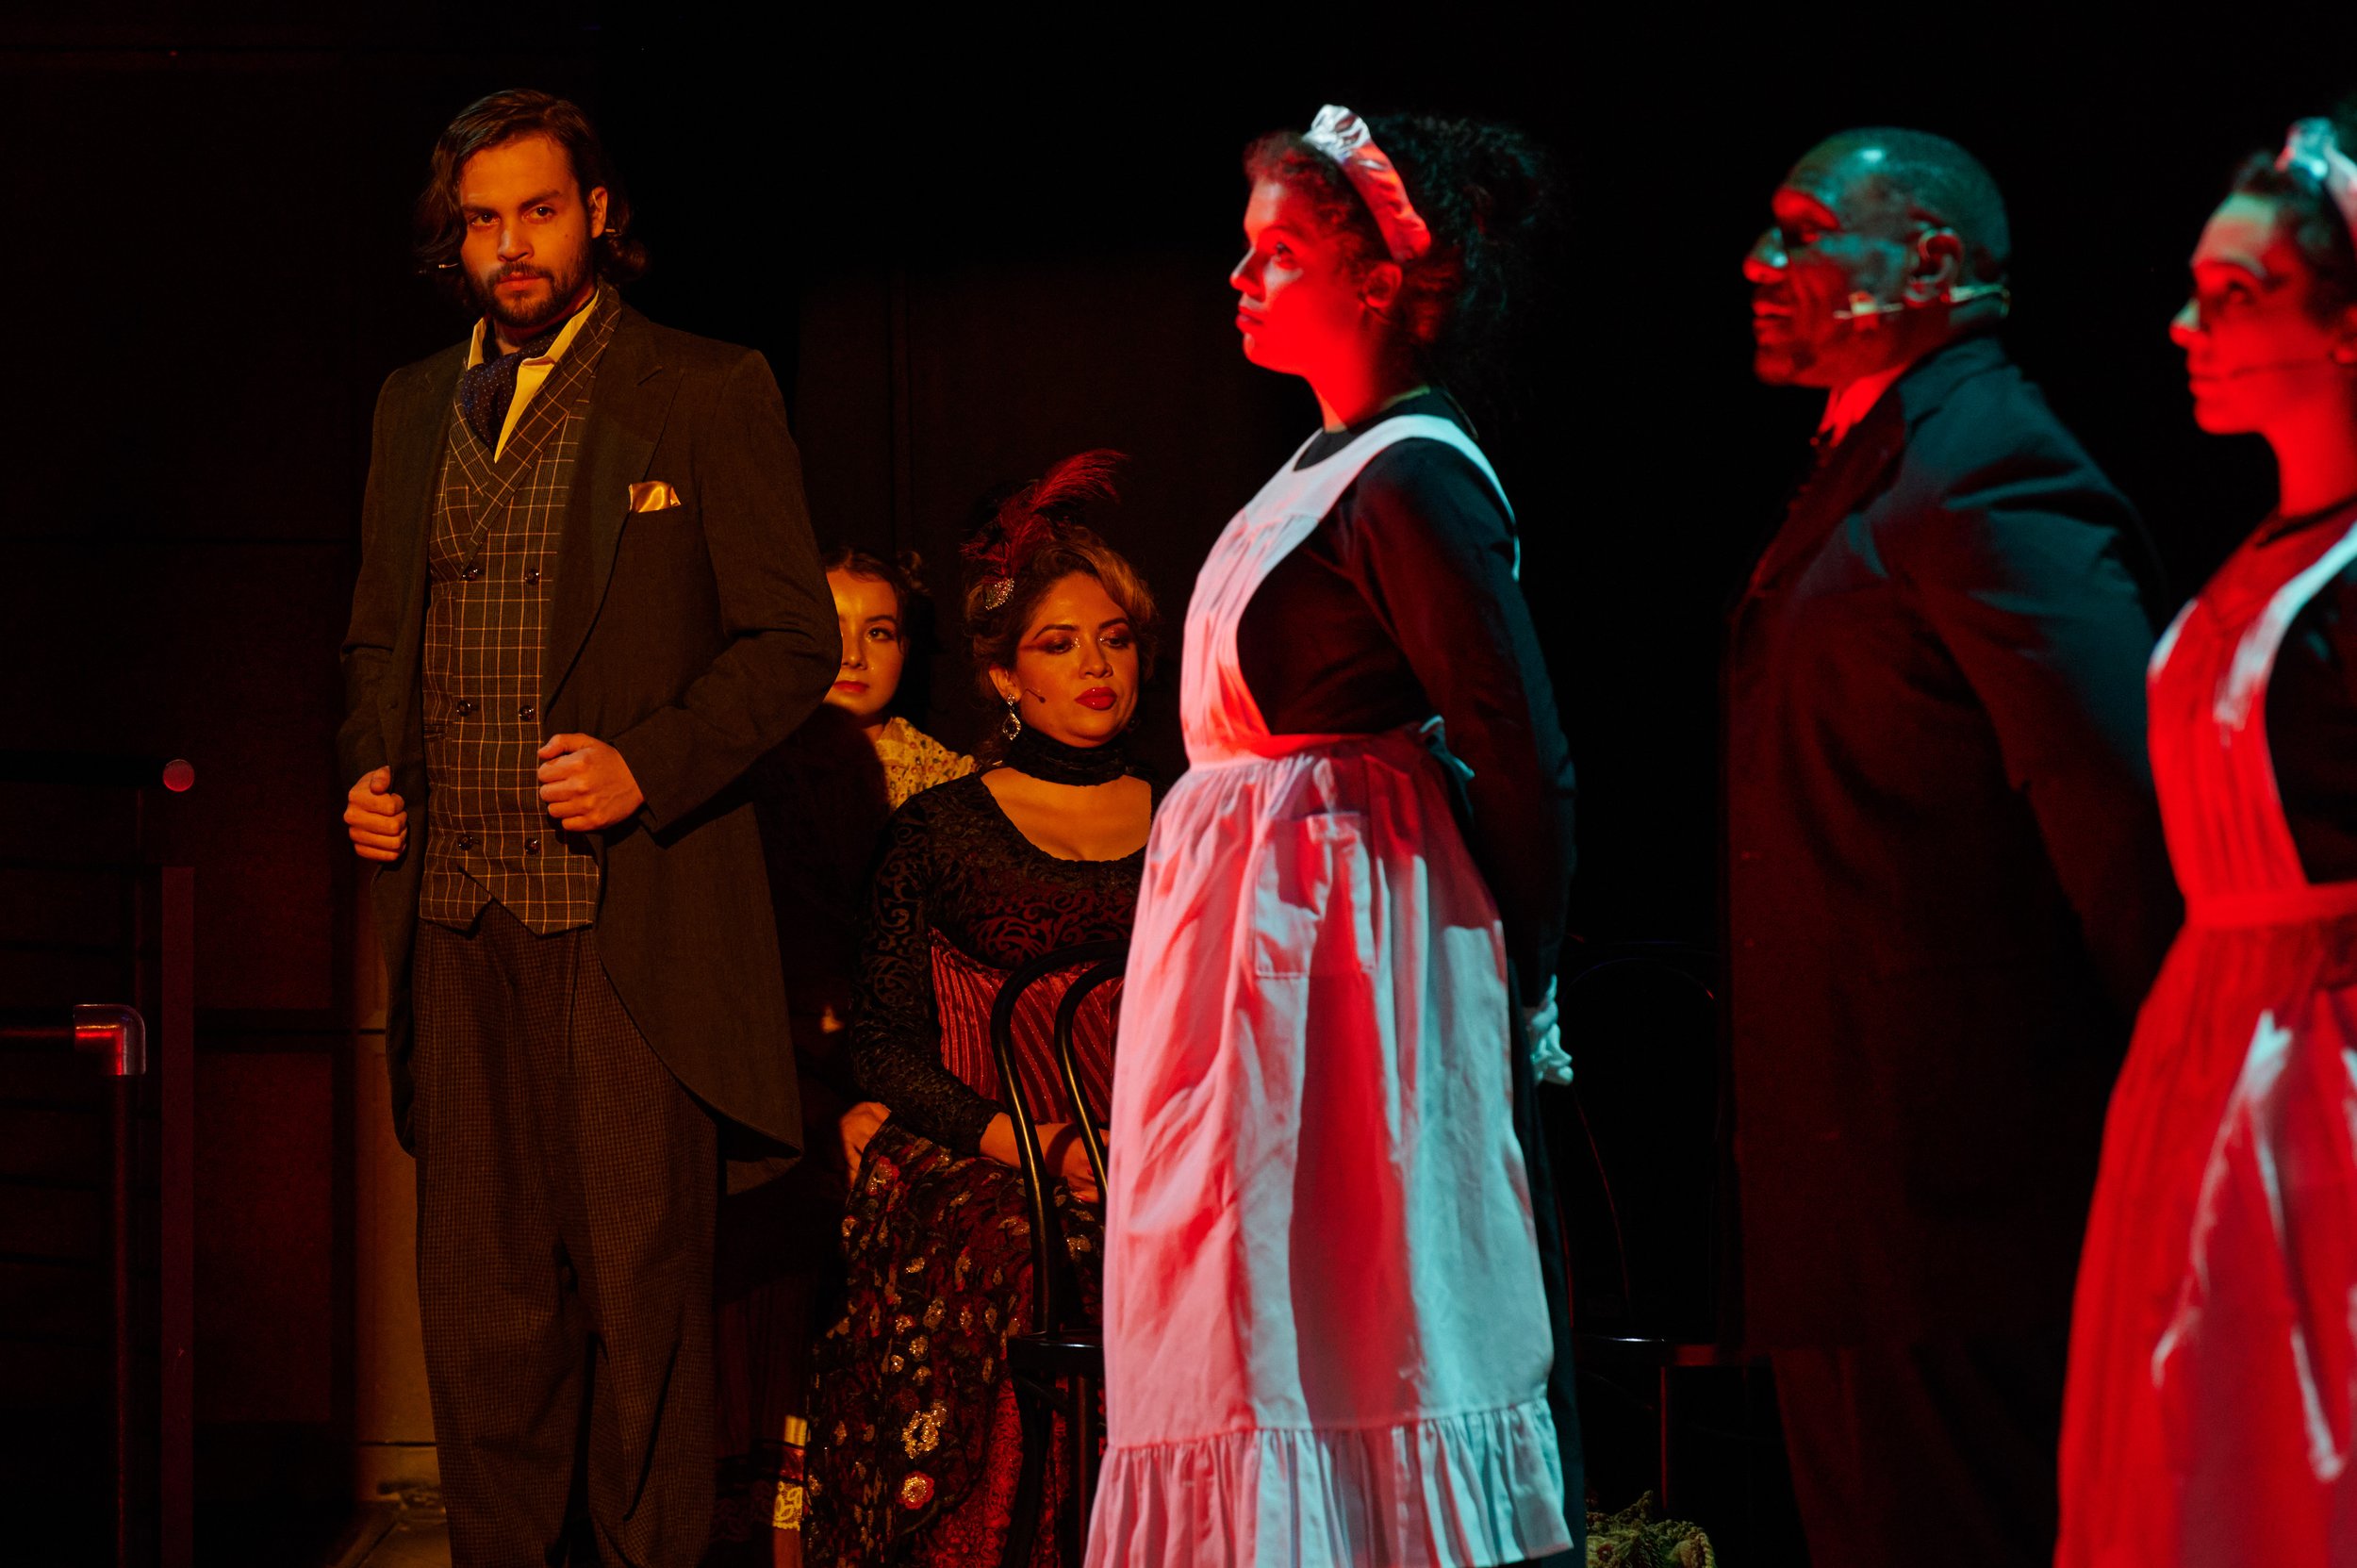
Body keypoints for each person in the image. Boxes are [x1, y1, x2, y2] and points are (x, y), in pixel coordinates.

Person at [336, 90, 834, 1565]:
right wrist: (370, 769)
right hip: (456, 917)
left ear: (598, 212)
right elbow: (375, 643)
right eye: (482, 219)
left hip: (630, 926)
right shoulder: (413, 402)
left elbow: (791, 640)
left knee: (641, 1303)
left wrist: (647, 764)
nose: (511, 244)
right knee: (486, 1320)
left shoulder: (702, 384)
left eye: (537, 210)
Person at [1088, 107, 1582, 1567]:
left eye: (1279, 251)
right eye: (1246, 250)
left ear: (1376, 280)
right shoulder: (1325, 460)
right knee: (1240, 1307)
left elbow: (1519, 744)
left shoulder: (1416, 476)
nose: (1241, 278)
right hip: (1261, 965)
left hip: (1337, 975)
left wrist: (1521, 971)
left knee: (1347, 1311)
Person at [1726, 128, 2177, 1566]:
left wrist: (2188, 1112)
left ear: (1929, 260)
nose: (1761, 262)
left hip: (1958, 1192)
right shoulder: (1881, 458)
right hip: (1865, 1196)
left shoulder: (1988, 467)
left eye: (1804, 232)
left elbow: (2122, 816)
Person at [2058, 111, 2357, 1567]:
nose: (2187, 325)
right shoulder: (2255, 559)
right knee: (2192, 1443)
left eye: (2237, 296)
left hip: (2329, 1080)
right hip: (2210, 1050)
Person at [802, 456, 1156, 1566]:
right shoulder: (942, 829)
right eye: (1059, 644)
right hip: (984, 1155)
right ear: (1005, 677)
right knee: (1057, 1266)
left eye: (1115, 637)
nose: (1095, 665)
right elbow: (883, 1045)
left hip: (1161, 1151)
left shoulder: (1201, 812)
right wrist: (1030, 1143)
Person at [715, 550, 971, 1562]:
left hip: (903, 1079)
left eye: (883, 630)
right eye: (833, 627)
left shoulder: (952, 785)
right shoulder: (737, 771)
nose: (856, 654)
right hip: (767, 1075)